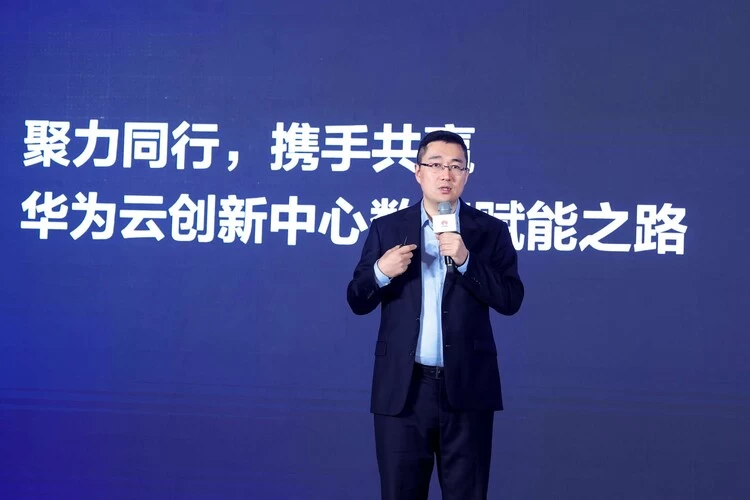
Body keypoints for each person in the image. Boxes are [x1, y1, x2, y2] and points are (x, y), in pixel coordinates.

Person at [346, 130, 524, 500]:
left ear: (467, 175)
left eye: (456, 166)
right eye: (436, 165)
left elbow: (510, 299)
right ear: (418, 172)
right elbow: (357, 299)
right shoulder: (387, 229)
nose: (446, 174)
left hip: (467, 390)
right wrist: (381, 271)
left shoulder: (490, 232)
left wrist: (467, 260)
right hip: (404, 390)